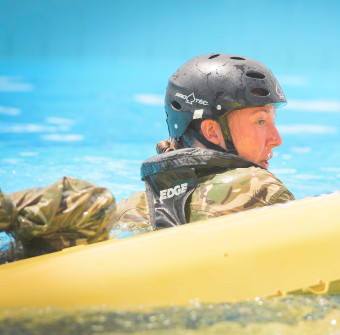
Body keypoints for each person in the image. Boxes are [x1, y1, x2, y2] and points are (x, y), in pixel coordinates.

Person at [0, 53, 294, 259]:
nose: (276, 139)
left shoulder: (135, 205)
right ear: (213, 132)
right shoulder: (258, 188)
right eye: (260, 121)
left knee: (90, 205)